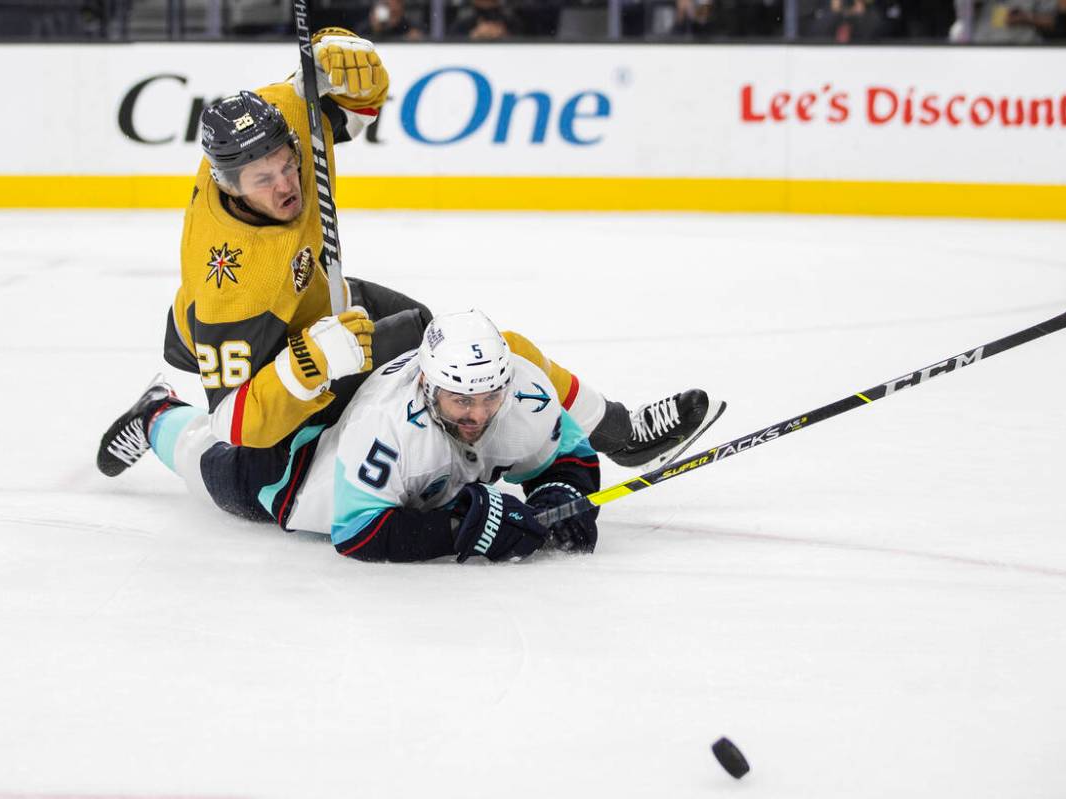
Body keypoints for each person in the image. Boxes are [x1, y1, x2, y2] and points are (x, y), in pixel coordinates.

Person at [144, 25, 724, 478]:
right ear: (227, 185)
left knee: (458, 343)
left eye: (286, 165)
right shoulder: (234, 285)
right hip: (274, 338)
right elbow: (235, 424)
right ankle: (158, 415)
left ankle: (617, 431)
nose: (286, 186)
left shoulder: (285, 116)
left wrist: (345, 64)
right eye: (262, 181)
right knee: (452, 366)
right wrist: (312, 360)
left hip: (319, 299)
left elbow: (356, 104)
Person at [98, 311, 603, 563]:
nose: (477, 414)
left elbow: (567, 457)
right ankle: (156, 412)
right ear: (426, 383)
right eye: (461, 401)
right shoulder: (386, 427)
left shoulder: (525, 391)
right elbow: (359, 533)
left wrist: (562, 495)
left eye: (489, 398)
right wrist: (463, 527)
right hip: (296, 476)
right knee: (212, 467)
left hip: (357, 410)